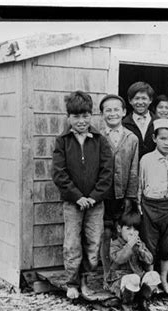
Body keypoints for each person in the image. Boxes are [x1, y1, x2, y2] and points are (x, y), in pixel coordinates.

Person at [52, 91, 113, 300]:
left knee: (94, 242)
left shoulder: (100, 140)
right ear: (68, 117)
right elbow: (59, 174)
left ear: (91, 116)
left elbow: (107, 173)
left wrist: (93, 197)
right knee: (72, 243)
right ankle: (72, 282)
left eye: (85, 116)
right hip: (73, 203)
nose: (81, 121)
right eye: (76, 116)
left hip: (95, 204)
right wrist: (77, 196)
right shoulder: (63, 141)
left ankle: (86, 281)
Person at [138, 118, 168, 294]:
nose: (167, 143)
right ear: (154, 138)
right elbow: (140, 185)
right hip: (150, 206)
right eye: (163, 138)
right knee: (149, 244)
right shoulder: (146, 160)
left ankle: (164, 279)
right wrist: (140, 207)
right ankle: (152, 280)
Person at [99, 94, 139, 285]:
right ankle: (107, 275)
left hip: (122, 195)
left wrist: (130, 196)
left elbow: (133, 169)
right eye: (108, 110)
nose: (112, 113)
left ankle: (122, 274)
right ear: (102, 114)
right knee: (105, 233)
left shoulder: (131, 138)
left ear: (124, 112)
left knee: (121, 233)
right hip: (102, 195)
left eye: (116, 109)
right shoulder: (97, 136)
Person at [106, 207, 161, 311]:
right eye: (128, 229)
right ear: (119, 229)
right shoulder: (115, 244)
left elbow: (150, 260)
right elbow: (119, 259)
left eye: (135, 229)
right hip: (119, 280)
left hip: (137, 278)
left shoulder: (139, 243)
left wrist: (141, 250)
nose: (132, 232)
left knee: (154, 275)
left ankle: (143, 303)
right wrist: (129, 246)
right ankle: (126, 305)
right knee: (133, 278)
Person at [122, 81, 157, 158]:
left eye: (144, 98)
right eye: (137, 98)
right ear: (130, 101)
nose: (140, 102)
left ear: (150, 100)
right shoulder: (124, 124)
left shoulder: (158, 122)